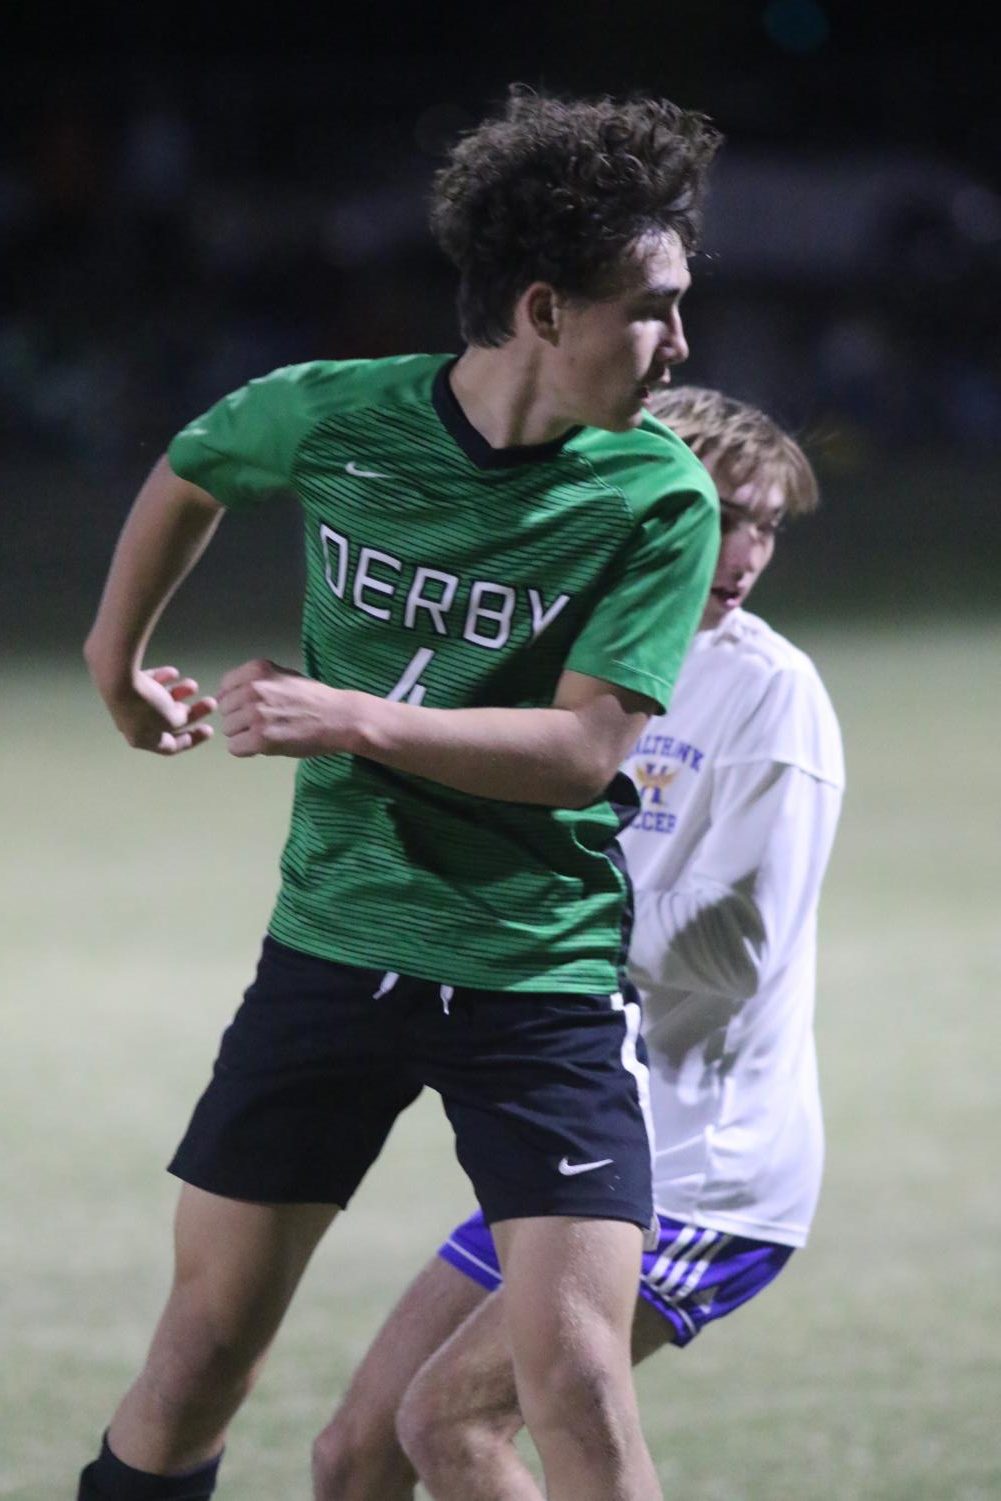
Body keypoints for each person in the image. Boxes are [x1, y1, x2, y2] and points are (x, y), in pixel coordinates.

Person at [78, 89, 723, 1501]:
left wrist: (354, 715)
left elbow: (581, 756)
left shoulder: (655, 494)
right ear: (543, 309)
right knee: (198, 1359)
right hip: (338, 945)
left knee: (579, 1379)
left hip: (537, 972)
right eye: (652, 306)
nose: (680, 342)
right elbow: (194, 464)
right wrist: (116, 662)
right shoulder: (338, 417)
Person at [310, 385, 845, 1501]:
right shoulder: (573, 656)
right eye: (721, 514)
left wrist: (529, 919)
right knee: (354, 1449)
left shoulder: (768, 696)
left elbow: (733, 943)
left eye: (768, 526)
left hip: (705, 1169)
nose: (744, 552)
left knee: (450, 1426)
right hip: (583, 1144)